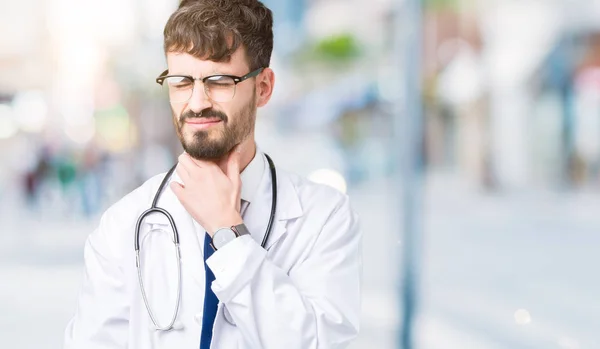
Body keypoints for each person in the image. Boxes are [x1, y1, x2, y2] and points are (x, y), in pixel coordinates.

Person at [64, 0, 362, 348]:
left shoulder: (324, 218)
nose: (197, 102)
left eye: (219, 81)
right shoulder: (123, 225)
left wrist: (228, 234)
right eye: (181, 81)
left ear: (263, 87)